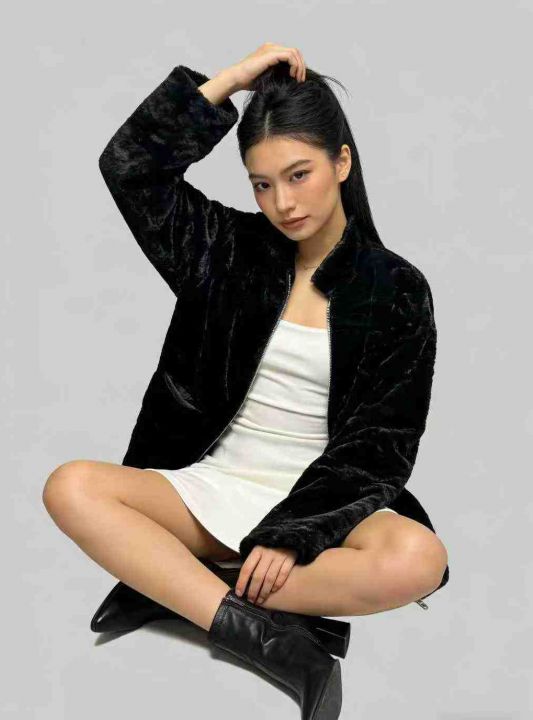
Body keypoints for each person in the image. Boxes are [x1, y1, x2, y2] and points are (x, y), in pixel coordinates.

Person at [43, 43, 448, 717]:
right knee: (71, 487)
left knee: (418, 558)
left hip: (322, 500)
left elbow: (381, 444)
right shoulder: (221, 249)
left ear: (341, 162)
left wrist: (294, 531)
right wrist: (229, 81)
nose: (282, 203)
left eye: (298, 174)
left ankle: (173, 583)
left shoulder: (396, 289)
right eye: (262, 185)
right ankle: (276, 642)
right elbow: (131, 168)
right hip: (209, 485)